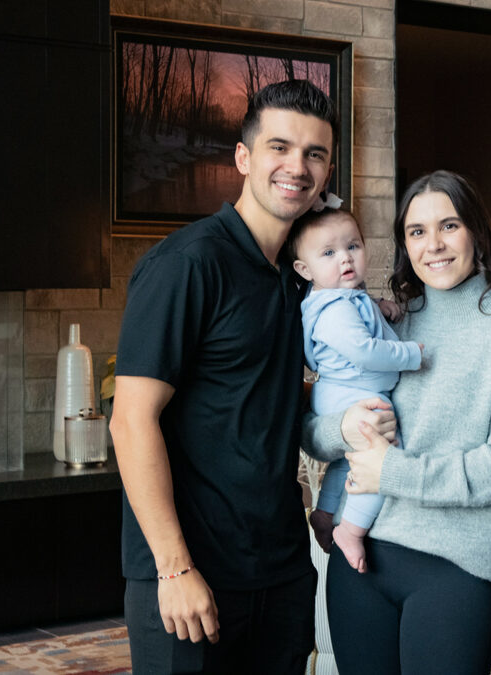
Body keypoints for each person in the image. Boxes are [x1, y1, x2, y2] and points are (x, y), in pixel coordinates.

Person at [109, 79, 337, 674]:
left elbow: (260, 392)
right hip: (191, 575)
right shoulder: (187, 265)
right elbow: (131, 422)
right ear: (243, 158)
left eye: (315, 153)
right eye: (280, 148)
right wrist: (175, 568)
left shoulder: (299, 276)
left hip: (281, 570)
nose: (298, 166)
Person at [302, 170, 491, 674]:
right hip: (361, 562)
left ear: (477, 233)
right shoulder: (385, 319)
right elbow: (312, 430)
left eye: (449, 226)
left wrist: (393, 472)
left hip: (454, 567)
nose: (433, 245)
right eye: (417, 231)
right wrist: (343, 429)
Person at [288, 206, 423, 573]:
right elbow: (363, 350)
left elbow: (361, 314)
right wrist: (412, 354)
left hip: (343, 392)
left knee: (346, 460)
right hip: (351, 393)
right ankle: (351, 529)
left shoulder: (343, 298)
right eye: (328, 253)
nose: (345, 258)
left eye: (353, 246)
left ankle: (326, 512)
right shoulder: (333, 310)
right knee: (382, 457)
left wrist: (381, 307)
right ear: (304, 269)